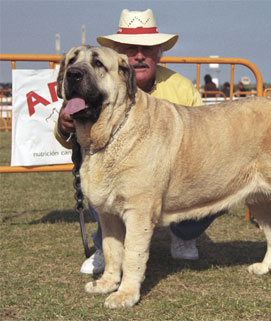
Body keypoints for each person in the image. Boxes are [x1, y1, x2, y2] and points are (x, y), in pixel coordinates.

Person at [55, 9, 221, 275]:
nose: (140, 55)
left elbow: (202, 138)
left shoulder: (181, 88)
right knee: (99, 178)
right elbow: (68, 140)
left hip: (174, 176)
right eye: (132, 48)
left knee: (218, 177)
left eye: (148, 49)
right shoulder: (96, 84)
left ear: (159, 54)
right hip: (116, 173)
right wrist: (65, 128)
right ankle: (105, 247)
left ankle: (185, 234)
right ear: (119, 53)